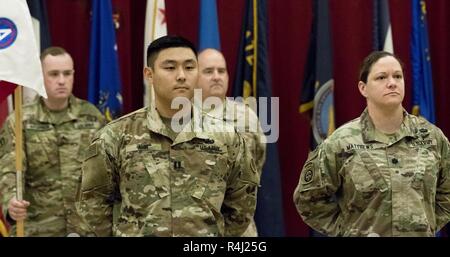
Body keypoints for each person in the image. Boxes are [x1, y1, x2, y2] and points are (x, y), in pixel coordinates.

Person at [75, 35, 259, 236]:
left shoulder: (226, 138)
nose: (181, 76)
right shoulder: (115, 136)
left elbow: (242, 206)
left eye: (189, 67)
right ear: (149, 74)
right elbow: (92, 206)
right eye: (170, 68)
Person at [293, 51, 450, 237]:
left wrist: (426, 225)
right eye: (381, 77)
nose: (392, 82)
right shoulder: (341, 142)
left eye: (398, 76)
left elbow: (446, 195)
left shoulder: (432, 137)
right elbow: (307, 199)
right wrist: (348, 230)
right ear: (363, 88)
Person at [0, 47, 105, 236]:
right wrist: (12, 202)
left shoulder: (92, 117)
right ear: (41, 76)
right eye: (54, 74)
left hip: (84, 226)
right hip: (38, 225)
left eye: (67, 73)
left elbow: (106, 172)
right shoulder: (20, 120)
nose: (62, 81)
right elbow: (10, 169)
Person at [197, 48, 266, 237]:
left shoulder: (246, 117)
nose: (217, 77)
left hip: (239, 229)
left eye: (222, 71)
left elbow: (256, 164)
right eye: (208, 71)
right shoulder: (181, 118)